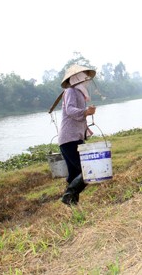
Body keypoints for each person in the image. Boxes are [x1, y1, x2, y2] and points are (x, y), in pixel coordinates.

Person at [58, 64, 96, 205]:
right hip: (70, 139)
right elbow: (70, 110)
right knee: (87, 170)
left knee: (74, 174)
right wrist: (85, 112)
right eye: (84, 76)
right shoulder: (71, 91)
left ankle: (72, 206)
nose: (87, 79)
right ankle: (68, 196)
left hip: (73, 138)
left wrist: (86, 112)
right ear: (78, 78)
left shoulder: (80, 93)